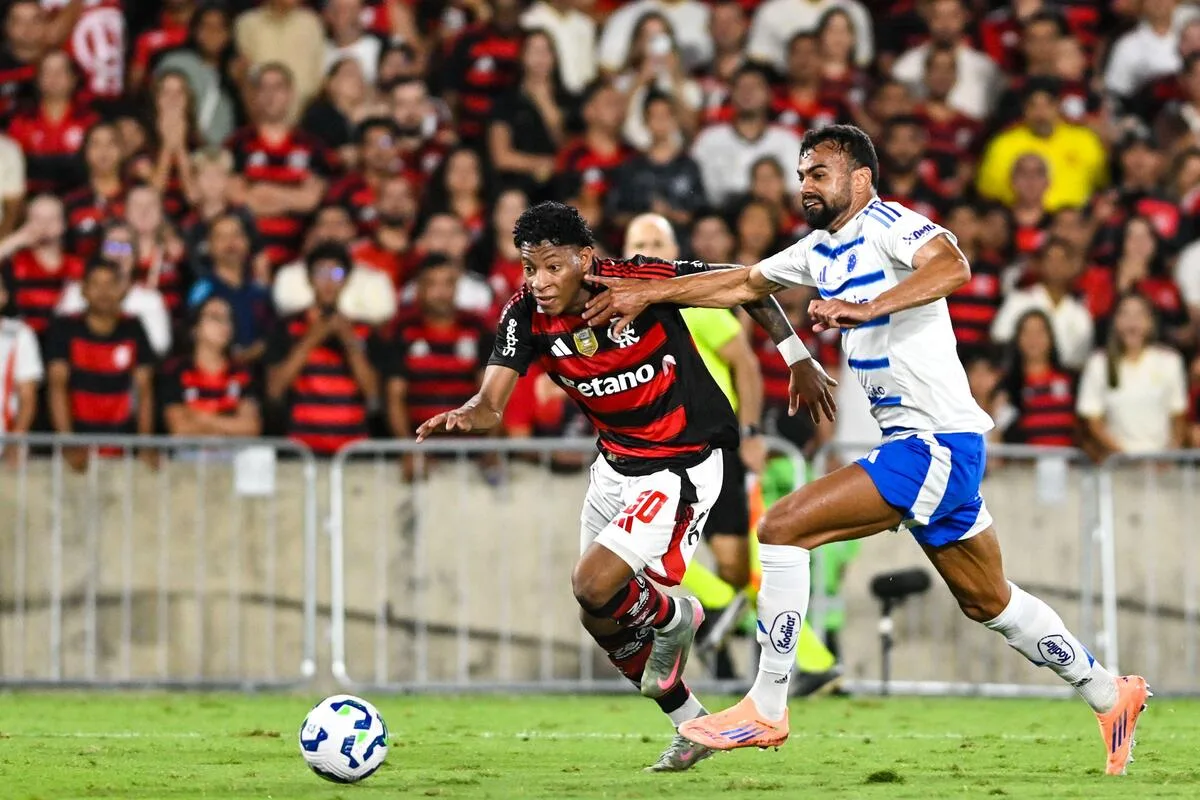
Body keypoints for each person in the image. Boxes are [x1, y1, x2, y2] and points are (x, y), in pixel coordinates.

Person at [583, 125, 1149, 775]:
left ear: (860, 179)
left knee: (784, 526)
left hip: (933, 442)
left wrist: (868, 306)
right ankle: (1112, 693)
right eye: (801, 175)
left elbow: (952, 266)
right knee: (988, 601)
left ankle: (767, 705)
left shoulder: (890, 223)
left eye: (818, 173)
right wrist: (653, 291)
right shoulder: (821, 248)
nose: (805, 186)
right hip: (933, 448)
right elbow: (742, 283)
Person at [414, 200, 835, 772]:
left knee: (593, 583)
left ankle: (672, 617)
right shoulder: (523, 317)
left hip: (680, 463)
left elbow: (748, 287)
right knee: (598, 614)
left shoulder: (638, 280)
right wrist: (466, 413)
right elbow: (491, 403)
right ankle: (689, 724)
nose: (539, 281)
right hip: (615, 466)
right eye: (529, 267)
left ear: (586, 259)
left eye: (553, 266)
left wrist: (797, 357)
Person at [160, 295, 261, 437]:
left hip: (232, 455)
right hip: (188, 457)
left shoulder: (242, 373)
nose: (225, 325)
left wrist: (203, 419)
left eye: (228, 319)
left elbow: (251, 427)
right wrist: (229, 424)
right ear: (195, 328)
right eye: (215, 317)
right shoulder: (176, 372)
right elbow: (179, 428)